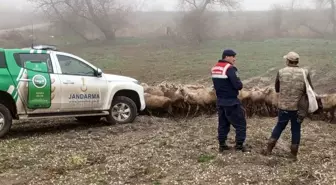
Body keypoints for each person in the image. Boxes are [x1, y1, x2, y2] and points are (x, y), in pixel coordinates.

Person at [261, 51, 317, 160]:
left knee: (279, 126)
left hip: (284, 107)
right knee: (296, 129)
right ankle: (293, 155)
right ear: (297, 61)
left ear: (287, 61)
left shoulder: (281, 72)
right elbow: (310, 89)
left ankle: (268, 150)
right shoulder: (304, 72)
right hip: (298, 109)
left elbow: (277, 89)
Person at [211, 49, 249, 152]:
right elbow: (238, 85)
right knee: (241, 124)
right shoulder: (230, 68)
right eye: (233, 57)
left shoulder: (215, 68)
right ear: (226, 57)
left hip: (220, 101)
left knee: (223, 123)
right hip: (231, 101)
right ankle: (239, 146)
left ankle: (222, 145)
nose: (234, 59)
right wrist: (239, 84)